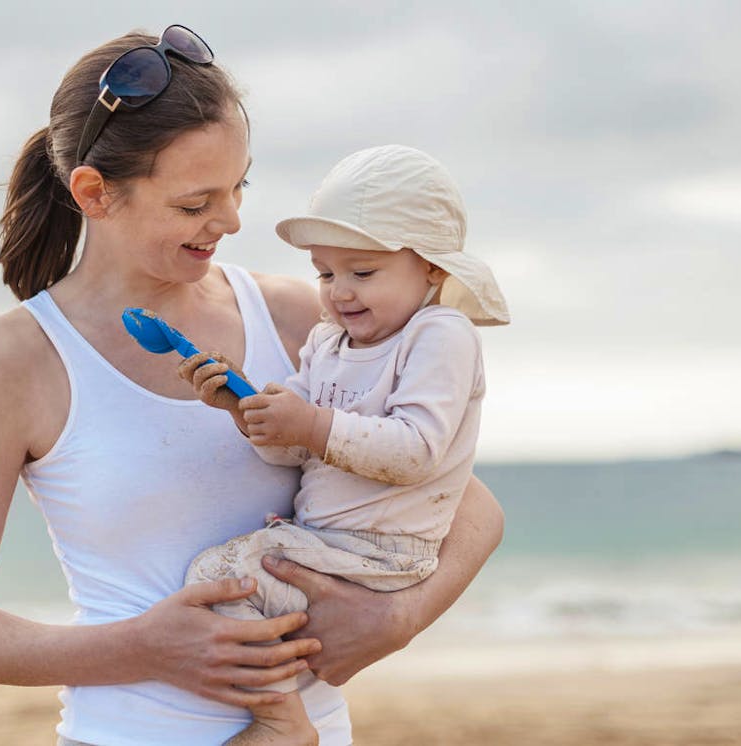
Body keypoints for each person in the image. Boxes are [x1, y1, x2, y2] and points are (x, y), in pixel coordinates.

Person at [0, 24, 505, 746]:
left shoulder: (302, 318)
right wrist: (144, 646)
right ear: (94, 193)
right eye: (195, 204)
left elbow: (466, 501)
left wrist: (398, 619)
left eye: (238, 187)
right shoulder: (12, 360)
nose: (231, 220)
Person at [178, 144, 509, 743]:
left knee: (218, 574)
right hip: (328, 542)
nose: (340, 292)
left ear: (431, 268)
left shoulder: (439, 335)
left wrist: (311, 425)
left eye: (363, 272)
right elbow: (290, 450)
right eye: (326, 273)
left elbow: (415, 452)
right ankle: (286, 700)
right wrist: (242, 407)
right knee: (225, 584)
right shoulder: (328, 344)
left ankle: (282, 721)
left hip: (384, 551)